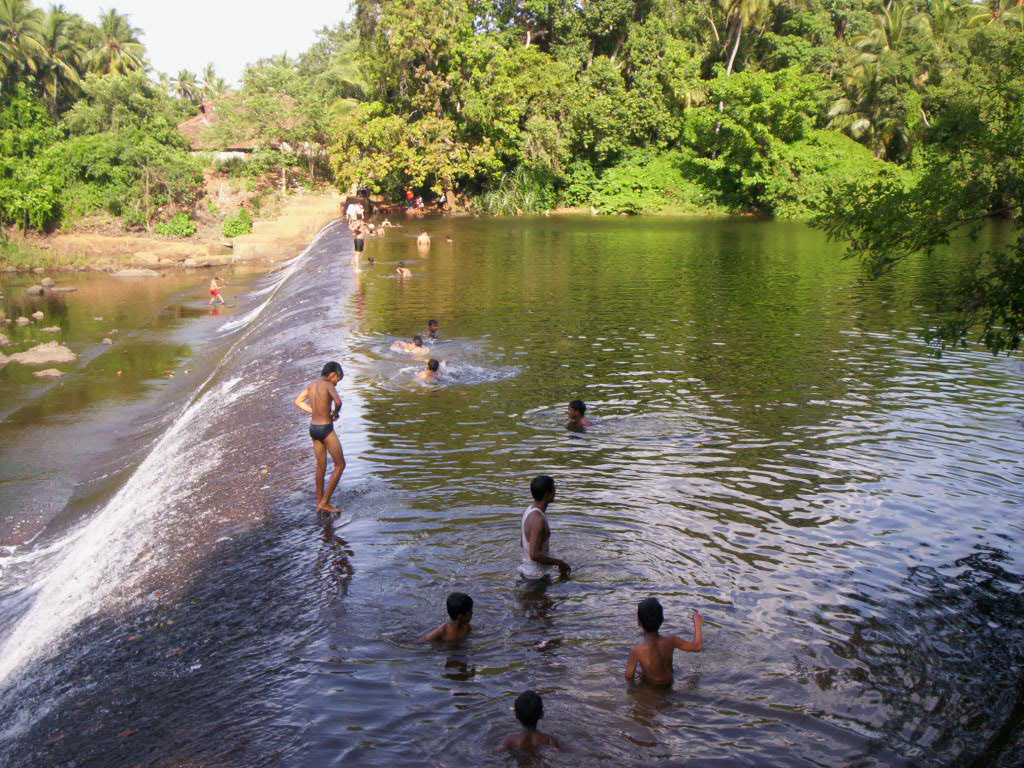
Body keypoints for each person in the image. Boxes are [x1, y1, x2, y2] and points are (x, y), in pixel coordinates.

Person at [293, 362, 346, 514]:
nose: (336, 383)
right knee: (340, 465)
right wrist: (335, 414)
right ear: (333, 374)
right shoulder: (328, 385)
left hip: (313, 429)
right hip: (326, 429)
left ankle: (319, 503)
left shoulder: (311, 386)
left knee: (320, 467)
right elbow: (338, 402)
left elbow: (298, 401)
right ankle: (325, 502)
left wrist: (314, 411)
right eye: (338, 379)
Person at [625, 598, 703, 686]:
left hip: (651, 691)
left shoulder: (636, 651)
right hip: (670, 686)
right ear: (661, 619)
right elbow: (698, 647)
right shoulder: (672, 641)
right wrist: (697, 623)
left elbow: (629, 678)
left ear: (639, 622)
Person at [518, 475, 571, 580]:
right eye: (554, 489)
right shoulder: (538, 519)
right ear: (547, 494)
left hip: (526, 571)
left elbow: (522, 543)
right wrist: (560, 563)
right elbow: (534, 555)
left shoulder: (529, 510)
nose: (555, 492)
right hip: (536, 578)